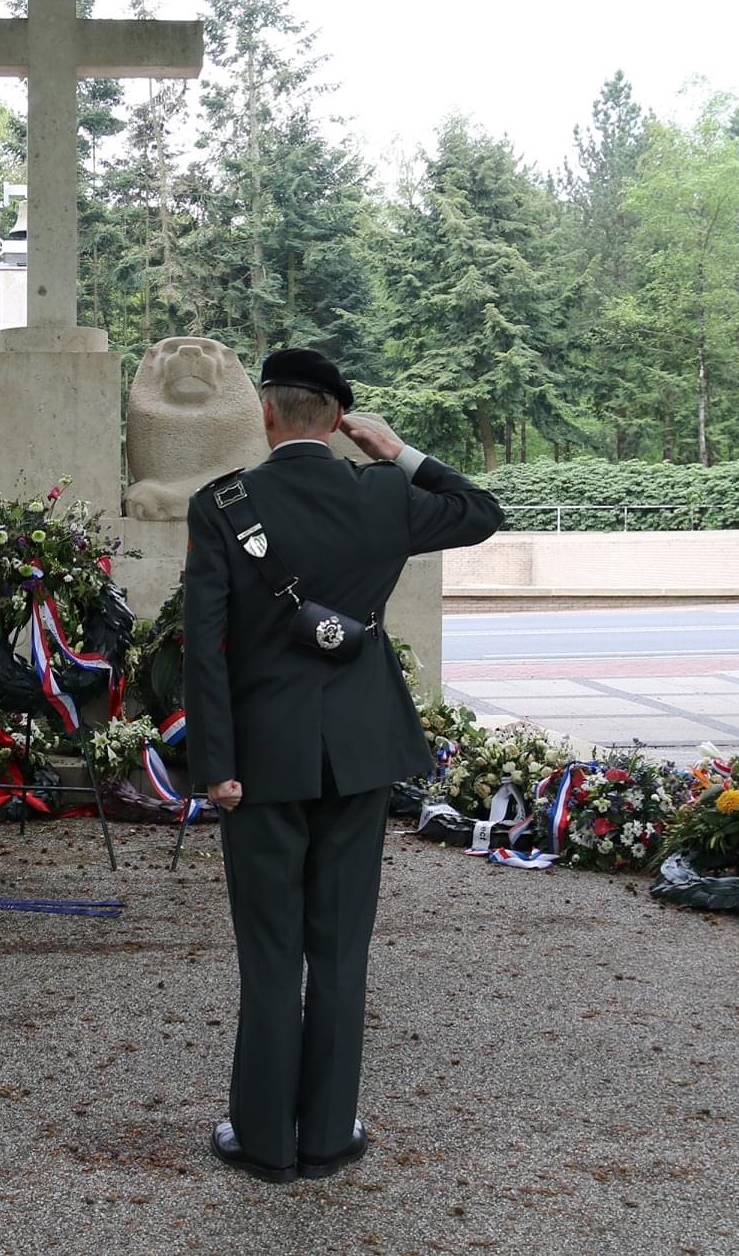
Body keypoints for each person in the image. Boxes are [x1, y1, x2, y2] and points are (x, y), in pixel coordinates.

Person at [182, 348, 503, 1184]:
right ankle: (326, 1134)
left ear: (266, 412)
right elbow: (482, 510)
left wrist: (215, 762)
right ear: (337, 418)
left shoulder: (223, 504)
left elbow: (204, 647)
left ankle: (264, 1139)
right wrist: (396, 451)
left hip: (260, 760)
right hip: (358, 754)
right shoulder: (385, 493)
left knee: (269, 950)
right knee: (340, 947)